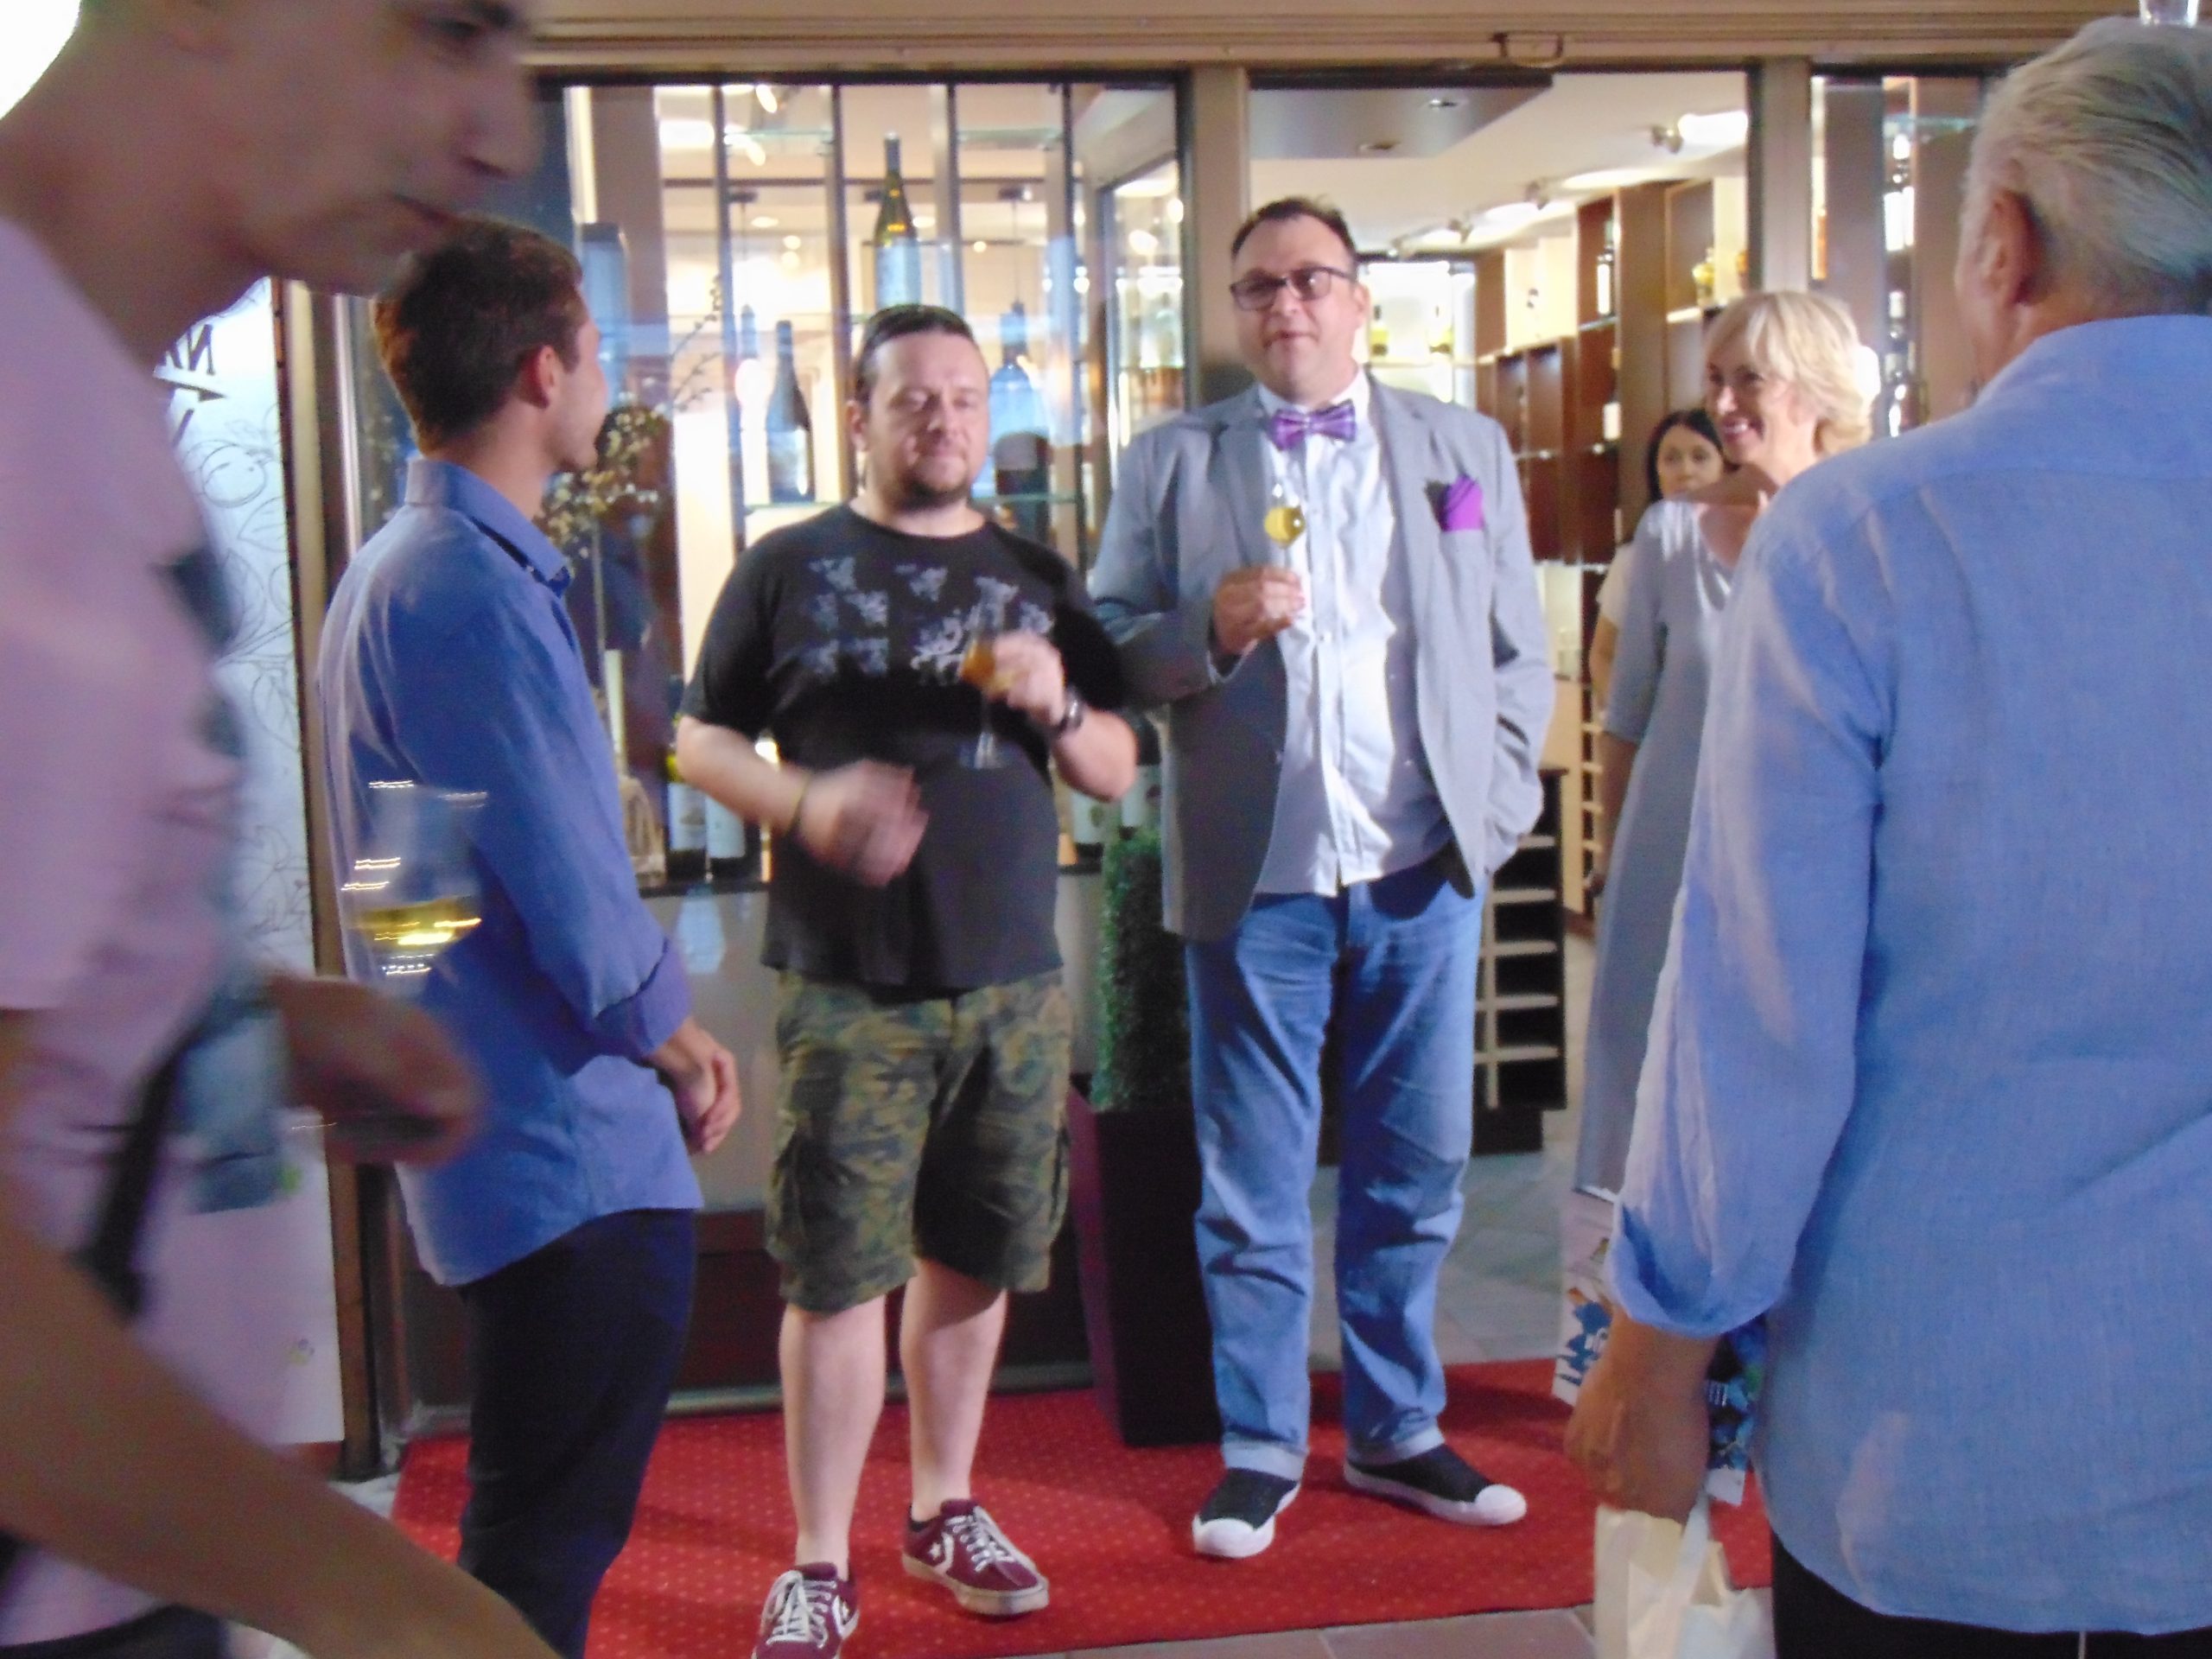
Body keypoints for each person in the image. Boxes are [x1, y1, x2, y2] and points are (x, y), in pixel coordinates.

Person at [1568, 19, 2212, 1655]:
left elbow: (1761, 1019)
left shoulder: (1867, 538)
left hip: (1950, 1430)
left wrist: (1660, 1348)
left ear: (2006, 246)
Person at [0, 4, 564, 1659]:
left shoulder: (80, 401)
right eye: (445, 27)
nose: (502, 131)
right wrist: (393, 1608)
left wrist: (259, 1022)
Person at [1090, 197, 1552, 1560]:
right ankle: (1261, 1445)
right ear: (1237, 312)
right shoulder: (1173, 460)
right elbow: (1110, 642)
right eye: (1258, 286)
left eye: (1311, 279)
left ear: (1360, 300)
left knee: (1417, 1164)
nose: (1285, 304)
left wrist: (1498, 805)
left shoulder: (1463, 449)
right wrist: (1210, 627)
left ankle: (1399, 1429)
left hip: (1421, 864)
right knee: (1251, 1180)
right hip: (1260, 876)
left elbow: (1514, 647)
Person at [675, 304, 1135, 1659]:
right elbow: (698, 740)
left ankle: (944, 1507)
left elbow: (1115, 765)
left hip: (1012, 979)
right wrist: (806, 803)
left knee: (978, 1257)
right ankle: (820, 1561)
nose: (943, 419)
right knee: (835, 1274)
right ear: (860, 416)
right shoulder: (787, 565)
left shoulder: (1038, 574)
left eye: (964, 396)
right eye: (913, 398)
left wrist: (1059, 704)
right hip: (848, 982)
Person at [319, 218, 744, 1659]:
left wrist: (448, 1023)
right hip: (573, 1161)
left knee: (525, 1549)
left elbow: (414, 894)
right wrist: (667, 1030)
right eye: (598, 354)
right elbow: (567, 880)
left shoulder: (398, 570)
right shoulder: (467, 585)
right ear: (542, 371)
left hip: (504, 1141)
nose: (609, 387)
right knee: (533, 1573)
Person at [1574, 295, 1868, 1194]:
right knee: (1648, 1087)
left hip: (1814, 860)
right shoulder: (1669, 535)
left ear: (1814, 386)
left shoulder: (1874, 527)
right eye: (1713, 380)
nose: (1724, 404)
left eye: (1749, 379)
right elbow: (1627, 719)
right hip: (1671, 852)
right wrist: (1612, 860)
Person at [1586, 409, 1727, 710]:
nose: (1685, 471)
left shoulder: (1749, 548)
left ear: (1725, 466)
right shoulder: (1636, 557)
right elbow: (1603, 653)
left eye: (1700, 457)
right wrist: (1627, 721)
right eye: (1671, 459)